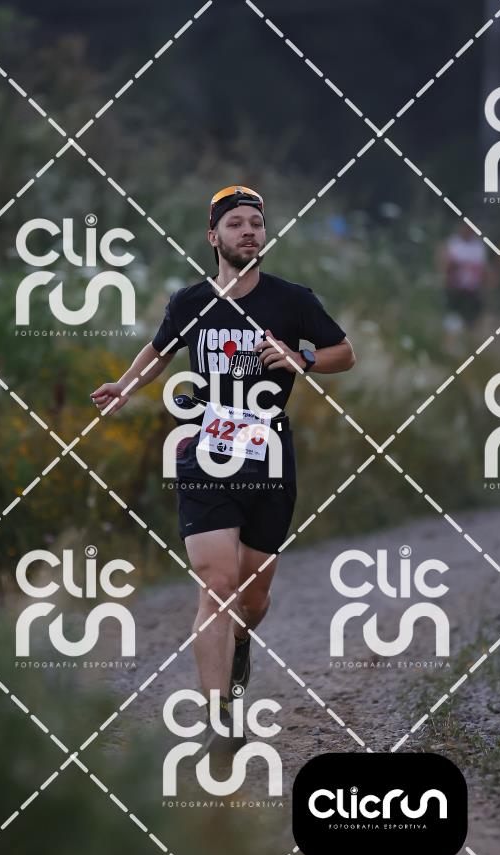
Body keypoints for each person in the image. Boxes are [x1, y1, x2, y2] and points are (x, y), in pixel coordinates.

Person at [90, 186, 355, 758]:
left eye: (256, 222)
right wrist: (125, 385)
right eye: (236, 223)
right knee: (217, 584)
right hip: (205, 451)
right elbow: (160, 351)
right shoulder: (190, 302)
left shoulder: (293, 300)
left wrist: (303, 357)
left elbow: (344, 352)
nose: (249, 231)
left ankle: (239, 644)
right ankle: (219, 719)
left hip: (269, 453)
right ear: (214, 236)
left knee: (251, 599)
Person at [438, 221, 488, 343]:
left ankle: (467, 342)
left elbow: (481, 269)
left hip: (471, 288)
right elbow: (445, 264)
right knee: (453, 316)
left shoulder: (478, 247)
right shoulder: (453, 243)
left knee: (471, 319)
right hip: (455, 287)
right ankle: (450, 342)